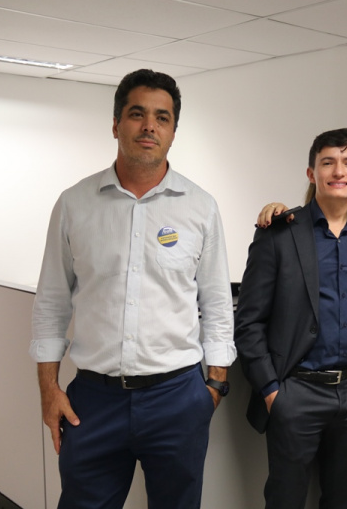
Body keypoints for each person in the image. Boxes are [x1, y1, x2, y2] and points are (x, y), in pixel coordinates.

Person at [29, 69, 235, 508]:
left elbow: (217, 303)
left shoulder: (200, 207)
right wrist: (49, 390)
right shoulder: (74, 204)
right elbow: (51, 303)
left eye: (162, 118)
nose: (149, 127)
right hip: (93, 401)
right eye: (137, 114)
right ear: (116, 124)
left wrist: (214, 387)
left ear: (173, 131)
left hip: (177, 398)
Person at [233, 128, 347, 509]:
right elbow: (248, 322)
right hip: (296, 393)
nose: (338, 171)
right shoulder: (278, 234)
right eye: (328, 162)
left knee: (345, 500)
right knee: (285, 499)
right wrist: (272, 391)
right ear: (312, 173)